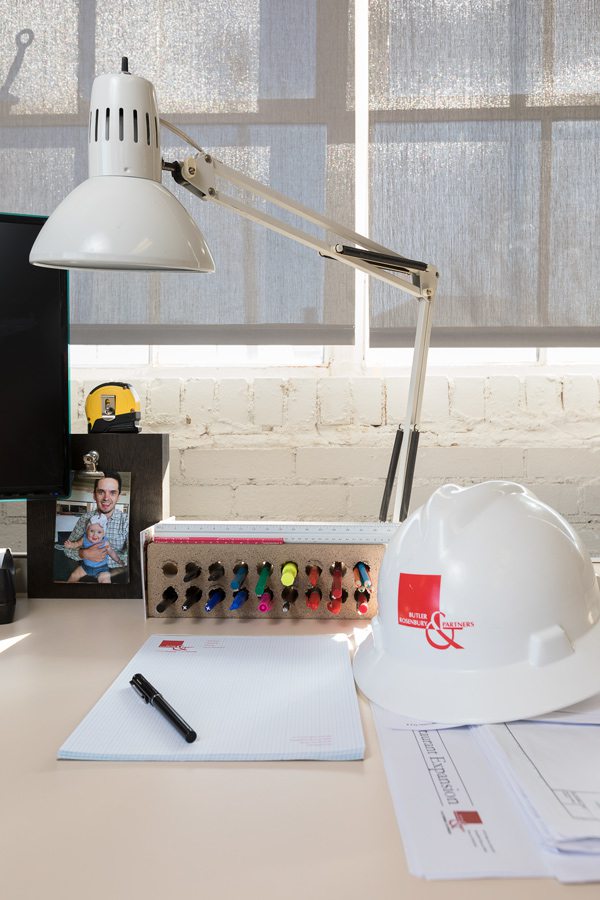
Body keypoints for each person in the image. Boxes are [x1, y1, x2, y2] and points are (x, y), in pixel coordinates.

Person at [62, 472, 129, 580]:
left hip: (116, 572)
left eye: (112, 493)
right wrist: (83, 553)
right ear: (94, 495)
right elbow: (67, 550)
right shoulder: (85, 518)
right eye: (101, 492)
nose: (106, 498)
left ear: (118, 497)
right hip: (85, 567)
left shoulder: (126, 521)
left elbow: (134, 557)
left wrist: (107, 557)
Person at [65, 513, 123, 583]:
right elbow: (76, 544)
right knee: (74, 575)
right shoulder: (84, 539)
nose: (95, 535)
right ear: (87, 531)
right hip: (85, 567)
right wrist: (70, 545)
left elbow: (111, 551)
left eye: (99, 532)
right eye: (92, 531)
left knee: (105, 579)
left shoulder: (105, 542)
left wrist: (118, 560)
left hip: (102, 568)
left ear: (103, 533)